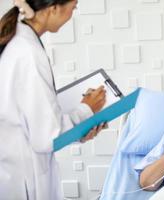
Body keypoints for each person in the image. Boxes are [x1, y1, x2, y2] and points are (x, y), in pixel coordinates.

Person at [0, 0, 106, 199]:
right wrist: (86, 109)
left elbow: (32, 117)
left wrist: (80, 131)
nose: (73, 13)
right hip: (22, 182)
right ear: (53, 8)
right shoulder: (29, 54)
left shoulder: (18, 40)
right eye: (73, 7)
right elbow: (47, 137)